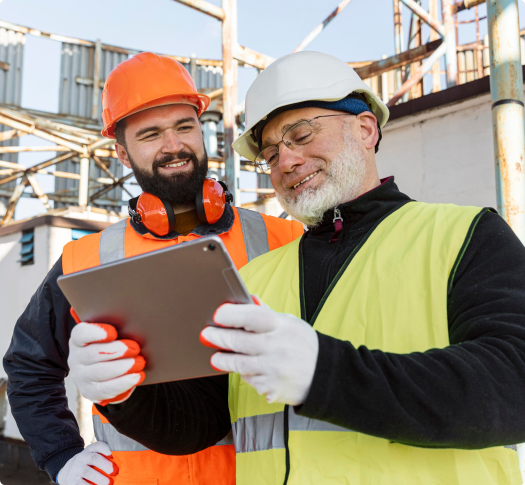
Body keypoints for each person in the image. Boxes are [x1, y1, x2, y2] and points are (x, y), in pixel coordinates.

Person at [65, 51, 525, 485]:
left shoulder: (464, 236)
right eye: (269, 154)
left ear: (366, 130)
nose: (286, 160)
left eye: (302, 135)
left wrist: (325, 374)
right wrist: (123, 392)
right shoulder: (259, 276)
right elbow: (200, 423)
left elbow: (514, 384)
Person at [3, 52, 303, 485]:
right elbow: (30, 365)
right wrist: (61, 454)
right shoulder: (86, 258)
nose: (174, 145)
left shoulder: (284, 239)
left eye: (185, 127)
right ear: (122, 153)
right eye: (151, 134)